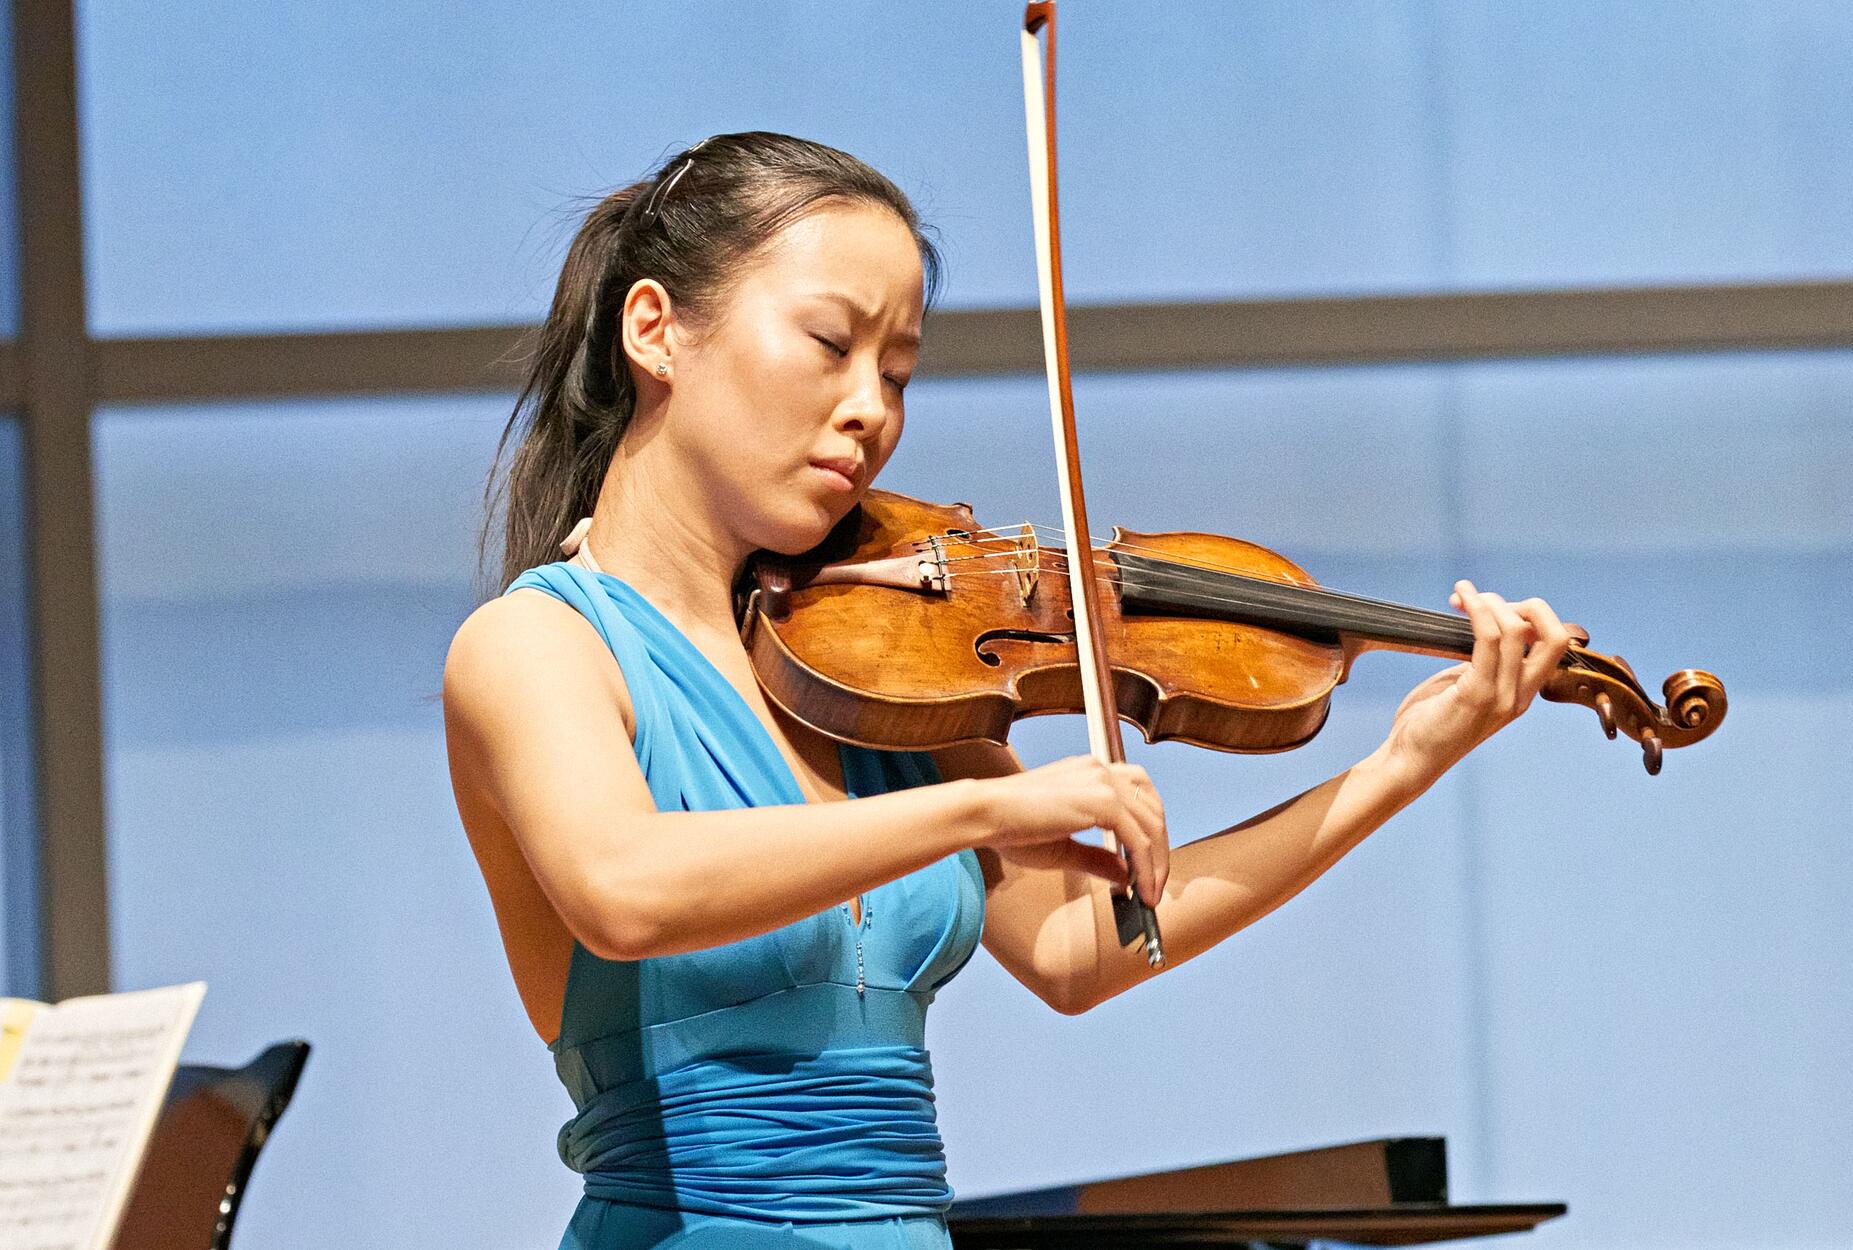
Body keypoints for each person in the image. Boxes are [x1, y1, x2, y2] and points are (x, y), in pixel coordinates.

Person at [441, 131, 1575, 1250]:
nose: (868, 410)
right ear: (656, 330)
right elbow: (626, 891)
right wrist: (985, 806)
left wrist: (1399, 766)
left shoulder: (866, 669)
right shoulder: (534, 646)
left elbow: (1086, 950)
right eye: (828, 343)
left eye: (895, 372)